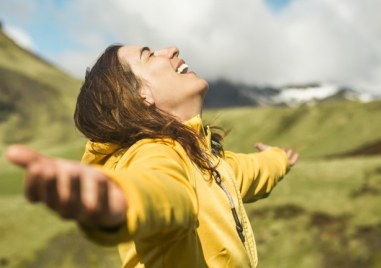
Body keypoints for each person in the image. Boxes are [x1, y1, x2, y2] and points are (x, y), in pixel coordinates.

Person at [6, 44, 298, 267]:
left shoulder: (205, 157)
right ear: (141, 94)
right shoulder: (155, 152)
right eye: (148, 55)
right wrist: (122, 200)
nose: (171, 50)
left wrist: (278, 159)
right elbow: (161, 189)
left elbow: (248, 171)